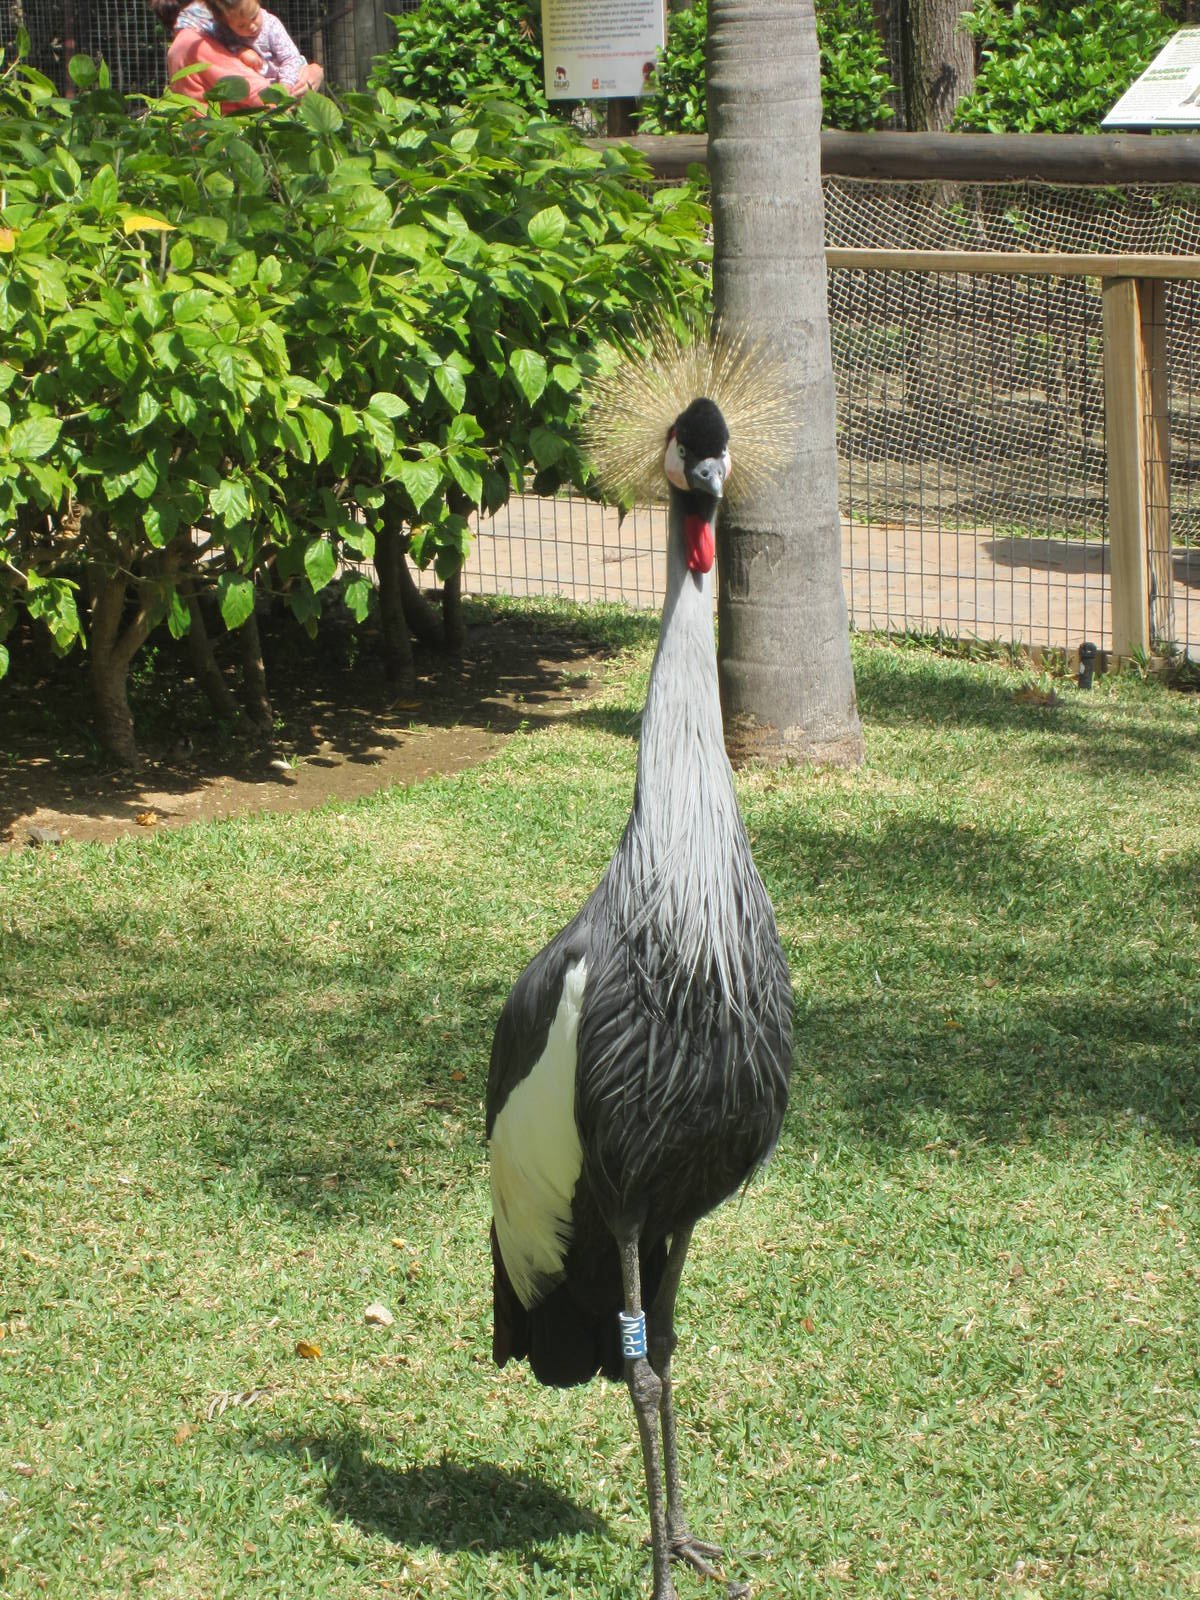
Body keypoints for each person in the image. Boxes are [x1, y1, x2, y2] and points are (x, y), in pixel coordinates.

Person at [149, 0, 322, 112]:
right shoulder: (193, 43)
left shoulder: (206, 37)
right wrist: (303, 82)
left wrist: (312, 70)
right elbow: (265, 98)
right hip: (228, 146)